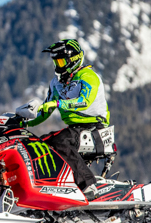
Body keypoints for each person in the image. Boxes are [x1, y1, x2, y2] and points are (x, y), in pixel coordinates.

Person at [21, 39, 110, 198]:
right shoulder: (56, 83)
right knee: (39, 144)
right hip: (75, 130)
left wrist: (58, 103)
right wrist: (22, 122)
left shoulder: (88, 76)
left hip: (94, 128)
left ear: (74, 60)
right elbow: (44, 112)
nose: (58, 65)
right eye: (56, 61)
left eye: (62, 61)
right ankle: (52, 186)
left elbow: (84, 102)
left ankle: (87, 186)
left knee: (60, 141)